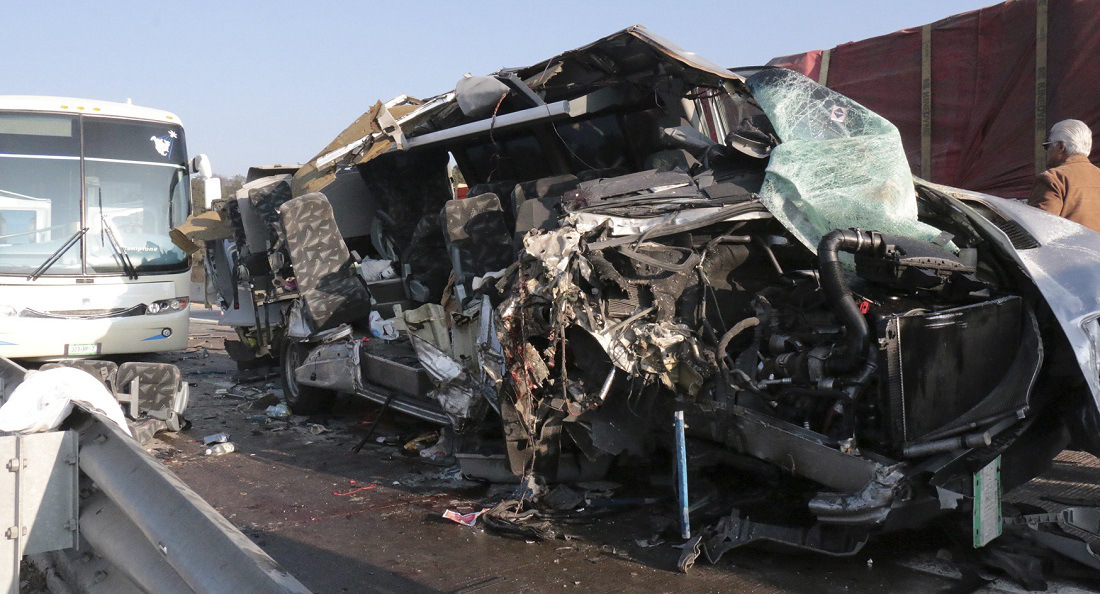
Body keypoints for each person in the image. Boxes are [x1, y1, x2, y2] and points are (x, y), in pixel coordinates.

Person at [1029, 119, 1100, 233]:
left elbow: (1039, 230)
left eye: (1047, 146)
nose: (1046, 152)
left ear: (1061, 147)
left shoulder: (1053, 179)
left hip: (1068, 249)